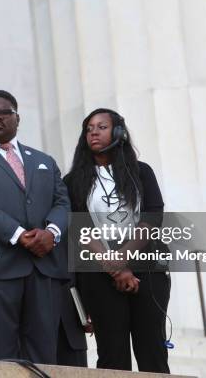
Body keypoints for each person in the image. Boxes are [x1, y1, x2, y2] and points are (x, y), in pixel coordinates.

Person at [0, 90, 70, 364]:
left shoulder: (44, 161)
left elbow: (63, 203)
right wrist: (18, 234)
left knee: (43, 355)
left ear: (17, 117)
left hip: (43, 269)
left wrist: (52, 233)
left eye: (4, 112)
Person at [63, 108, 170, 372]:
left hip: (147, 269)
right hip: (98, 275)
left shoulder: (141, 172)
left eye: (101, 127)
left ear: (118, 132)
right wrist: (115, 267)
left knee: (152, 351)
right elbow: (79, 229)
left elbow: (153, 217)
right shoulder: (73, 180)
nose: (93, 133)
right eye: (89, 129)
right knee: (112, 355)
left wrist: (123, 259)